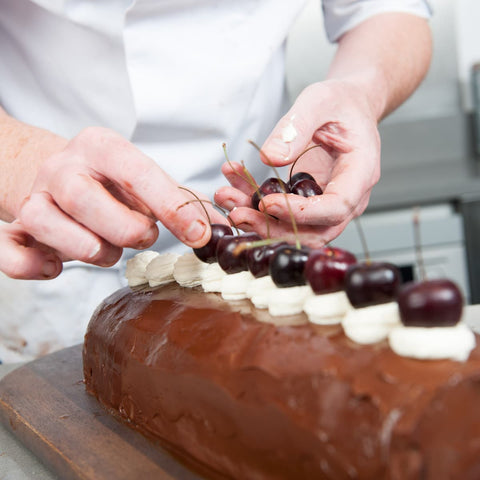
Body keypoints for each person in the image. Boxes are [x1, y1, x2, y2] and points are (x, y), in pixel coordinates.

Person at [0, 0, 432, 361]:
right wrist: (18, 157)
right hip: (39, 245)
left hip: (250, 234)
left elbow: (389, 9)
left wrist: (362, 90)